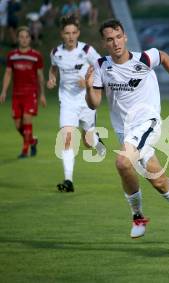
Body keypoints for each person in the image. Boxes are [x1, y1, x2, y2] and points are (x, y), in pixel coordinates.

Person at [85, 19, 169, 238]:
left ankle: (137, 216)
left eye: (119, 37)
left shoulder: (144, 58)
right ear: (104, 43)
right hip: (125, 131)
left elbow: (164, 57)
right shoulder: (101, 66)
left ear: (125, 37)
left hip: (148, 122)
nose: (116, 43)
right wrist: (89, 87)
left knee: (122, 161)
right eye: (110, 40)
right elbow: (94, 103)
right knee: (157, 180)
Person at [47, 15, 106, 192]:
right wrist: (51, 78)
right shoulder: (56, 53)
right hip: (67, 100)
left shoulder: (87, 50)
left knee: (88, 141)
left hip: (86, 99)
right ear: (61, 34)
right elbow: (54, 68)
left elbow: (101, 66)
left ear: (78, 33)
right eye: (67, 33)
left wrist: (89, 82)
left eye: (74, 33)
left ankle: (96, 141)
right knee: (67, 137)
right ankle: (68, 180)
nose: (71, 36)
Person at [1, 26, 45, 158]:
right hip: (16, 94)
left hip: (30, 93)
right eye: (21, 37)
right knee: (18, 125)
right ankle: (32, 141)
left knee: (27, 121)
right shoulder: (12, 56)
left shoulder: (36, 56)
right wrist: (3, 91)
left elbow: (40, 76)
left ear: (30, 39)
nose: (24, 39)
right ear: (18, 39)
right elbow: (8, 74)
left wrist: (42, 94)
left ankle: (25, 150)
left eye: (27, 37)